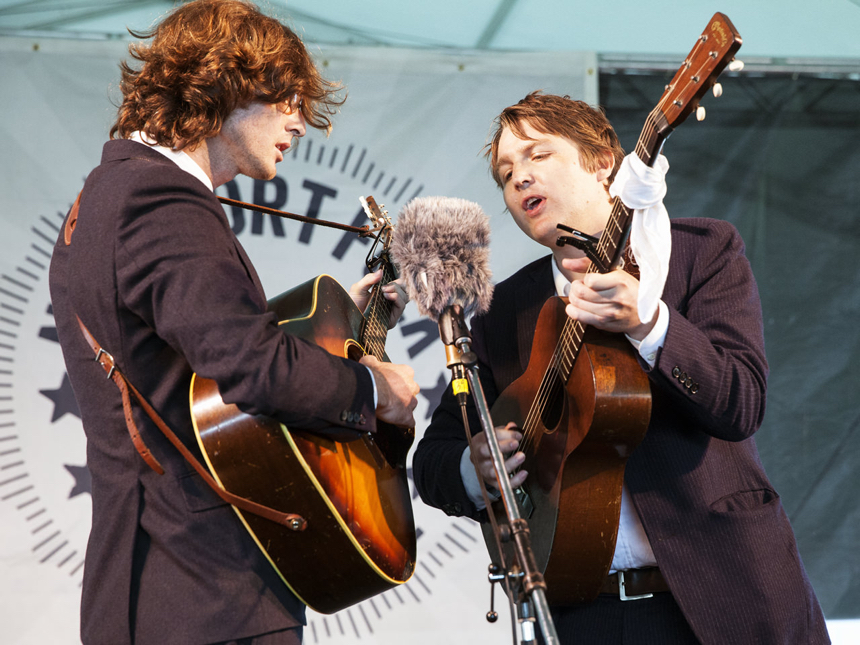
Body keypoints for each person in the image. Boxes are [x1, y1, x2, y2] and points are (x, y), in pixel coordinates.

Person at [49, 1, 419, 643]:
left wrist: (342, 326)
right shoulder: (156, 197)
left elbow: (200, 365)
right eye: (290, 101)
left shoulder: (110, 193)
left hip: (171, 592)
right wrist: (374, 388)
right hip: (202, 594)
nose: (301, 125)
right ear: (233, 82)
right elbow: (253, 368)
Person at [412, 92, 829, 643]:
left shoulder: (700, 254)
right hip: (582, 614)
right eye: (506, 172)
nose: (519, 180)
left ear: (603, 161)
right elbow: (433, 459)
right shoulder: (502, 311)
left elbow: (741, 402)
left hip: (723, 597)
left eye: (538, 156)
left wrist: (650, 324)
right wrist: (475, 470)